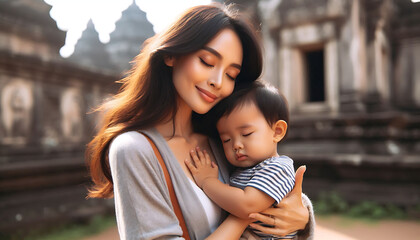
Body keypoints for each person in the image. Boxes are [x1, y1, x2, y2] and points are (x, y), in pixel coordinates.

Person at [86, 3, 314, 240]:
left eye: (231, 75)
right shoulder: (134, 149)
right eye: (206, 61)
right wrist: (246, 214)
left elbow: (267, 186)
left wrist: (303, 216)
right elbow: (251, 203)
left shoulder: (223, 138)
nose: (218, 82)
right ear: (172, 55)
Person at [186, 81, 299, 239]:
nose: (236, 145)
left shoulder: (278, 168)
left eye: (246, 134)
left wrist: (207, 181)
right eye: (226, 140)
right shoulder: (243, 169)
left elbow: (247, 205)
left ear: (277, 132)